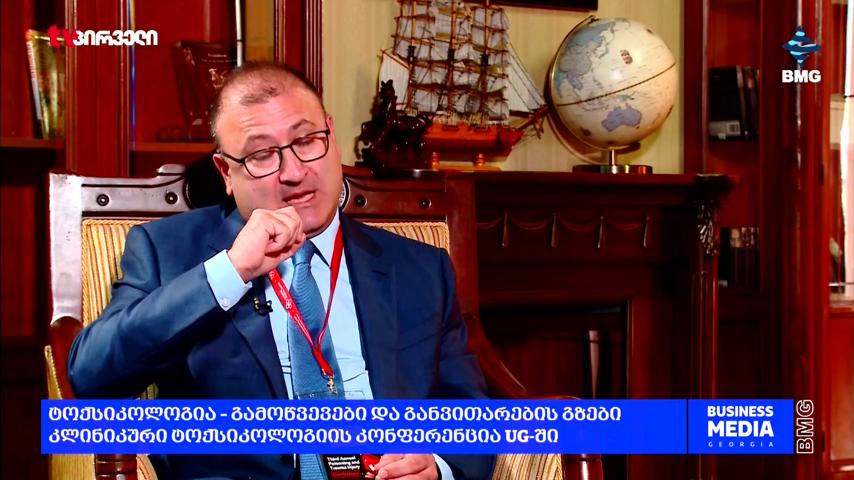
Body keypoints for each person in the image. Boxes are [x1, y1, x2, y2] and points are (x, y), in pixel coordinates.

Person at [66, 61, 495, 480]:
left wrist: (437, 466)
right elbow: (90, 376)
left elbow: (469, 414)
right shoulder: (169, 252)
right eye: (261, 155)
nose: (294, 173)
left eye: (307, 141)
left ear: (332, 136)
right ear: (226, 172)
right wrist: (231, 270)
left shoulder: (420, 268)